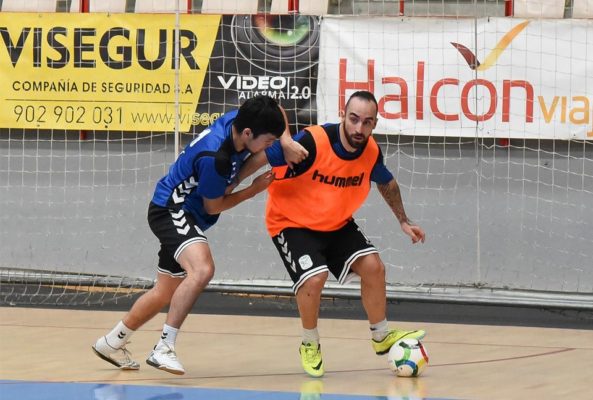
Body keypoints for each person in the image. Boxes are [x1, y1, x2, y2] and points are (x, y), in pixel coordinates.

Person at [92, 95, 307, 375]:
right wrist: (253, 189)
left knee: (164, 292)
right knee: (203, 269)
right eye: (269, 141)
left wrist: (287, 140)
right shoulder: (214, 159)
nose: (271, 145)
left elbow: (274, 107)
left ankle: (111, 342)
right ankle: (164, 347)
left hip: (184, 211)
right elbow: (216, 205)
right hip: (172, 210)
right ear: (248, 134)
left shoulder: (240, 119)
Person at [238, 90, 426, 378]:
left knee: (374, 267)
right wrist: (232, 184)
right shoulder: (314, 141)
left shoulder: (371, 151)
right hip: (291, 222)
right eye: (353, 119)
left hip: (336, 222)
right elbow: (264, 156)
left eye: (366, 122)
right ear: (343, 115)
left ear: (374, 124)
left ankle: (381, 336)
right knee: (315, 277)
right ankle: (309, 343)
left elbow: (387, 183)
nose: (358, 128)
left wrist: (403, 220)